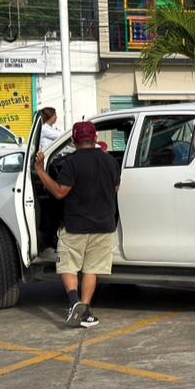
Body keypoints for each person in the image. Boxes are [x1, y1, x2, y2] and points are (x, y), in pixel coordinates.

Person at [35, 122, 120, 328]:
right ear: (95, 138)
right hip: (104, 226)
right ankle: (85, 311)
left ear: (73, 141)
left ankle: (74, 303)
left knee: (69, 265)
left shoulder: (71, 163)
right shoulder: (110, 161)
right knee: (92, 269)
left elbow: (59, 192)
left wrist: (40, 171)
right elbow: (116, 188)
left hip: (75, 225)